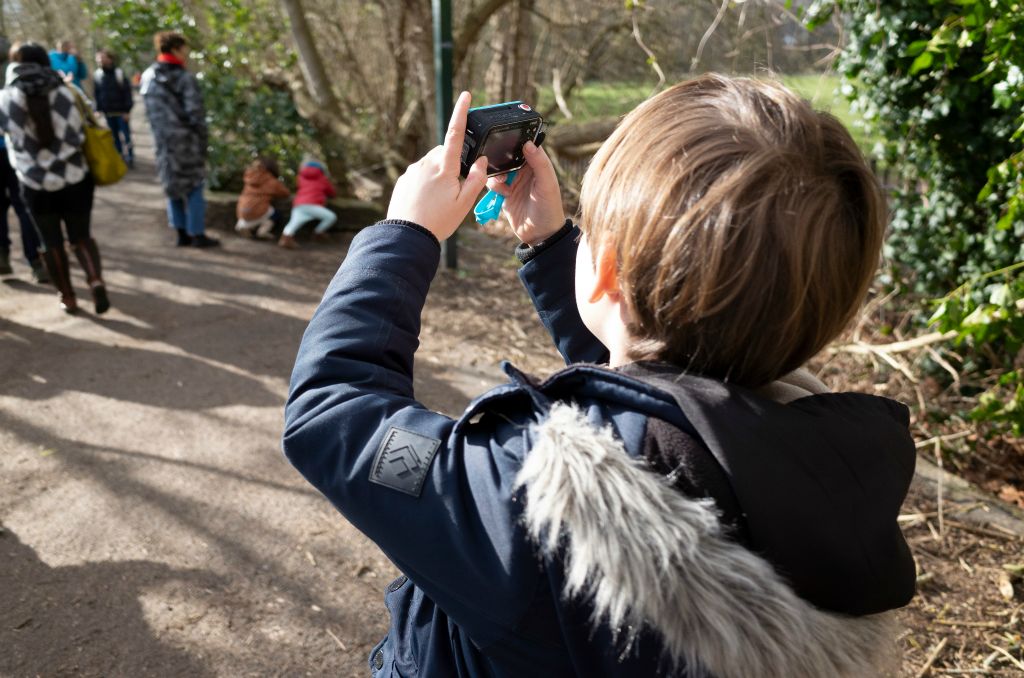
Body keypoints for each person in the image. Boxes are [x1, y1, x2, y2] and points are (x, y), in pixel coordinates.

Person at [284, 78, 918, 677]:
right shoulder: (825, 468)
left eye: (592, 232)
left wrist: (406, 233)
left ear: (607, 271)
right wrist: (558, 245)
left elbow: (335, 413)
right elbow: (665, 390)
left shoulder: (527, 494)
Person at [0, 42, 109, 314]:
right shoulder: (68, 90)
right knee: (81, 236)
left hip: (34, 184)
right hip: (75, 177)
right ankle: (95, 279)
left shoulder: (6, 97)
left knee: (51, 242)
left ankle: (68, 296)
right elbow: (93, 119)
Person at [140, 31, 218, 248]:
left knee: (171, 185)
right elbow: (196, 114)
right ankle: (197, 234)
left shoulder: (148, 77)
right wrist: (202, 142)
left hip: (163, 143)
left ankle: (181, 232)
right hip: (187, 142)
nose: (187, 53)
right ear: (175, 49)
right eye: (184, 48)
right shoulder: (185, 78)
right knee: (194, 185)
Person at [0, 133, 47, 283]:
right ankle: (35, 262)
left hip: (14, 150)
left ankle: (2, 255)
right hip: (15, 150)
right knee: (24, 209)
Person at [277, 157, 336, 249]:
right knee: (330, 217)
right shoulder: (323, 178)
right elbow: (332, 193)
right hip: (313, 204)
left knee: (293, 223)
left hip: (299, 204)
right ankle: (318, 233)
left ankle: (285, 239)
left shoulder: (301, 177)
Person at [93, 49, 134, 168]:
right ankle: (119, 157)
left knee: (126, 136)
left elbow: (127, 93)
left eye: (103, 57)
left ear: (110, 59)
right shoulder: (98, 75)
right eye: (99, 58)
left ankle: (130, 157)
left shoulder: (119, 73)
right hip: (108, 113)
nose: (100, 60)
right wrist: (98, 109)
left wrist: (127, 110)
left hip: (121, 112)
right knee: (114, 137)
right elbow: (97, 94)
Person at [235, 156, 289, 238]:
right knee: (275, 214)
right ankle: (263, 230)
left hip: (242, 209)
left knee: (248, 211)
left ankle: (242, 225)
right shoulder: (272, 181)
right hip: (259, 210)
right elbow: (285, 193)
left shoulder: (249, 178)